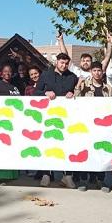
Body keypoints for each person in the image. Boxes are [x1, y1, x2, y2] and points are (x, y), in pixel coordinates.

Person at [34, 53, 78, 187]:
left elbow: (79, 93)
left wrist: (74, 93)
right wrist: (45, 93)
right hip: (47, 117)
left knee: (68, 145)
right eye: (61, 63)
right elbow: (35, 93)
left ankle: (67, 176)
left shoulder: (72, 77)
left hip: (67, 117)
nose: (63, 66)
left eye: (66, 63)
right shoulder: (46, 75)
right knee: (48, 144)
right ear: (56, 62)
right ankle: (47, 174)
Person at [74, 61, 112, 192]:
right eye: (94, 70)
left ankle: (100, 180)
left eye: (99, 70)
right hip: (86, 125)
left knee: (101, 153)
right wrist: (78, 85)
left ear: (102, 72)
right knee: (86, 152)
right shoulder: (84, 86)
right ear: (91, 72)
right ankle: (83, 180)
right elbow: (74, 99)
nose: (97, 73)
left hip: (103, 127)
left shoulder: (108, 88)